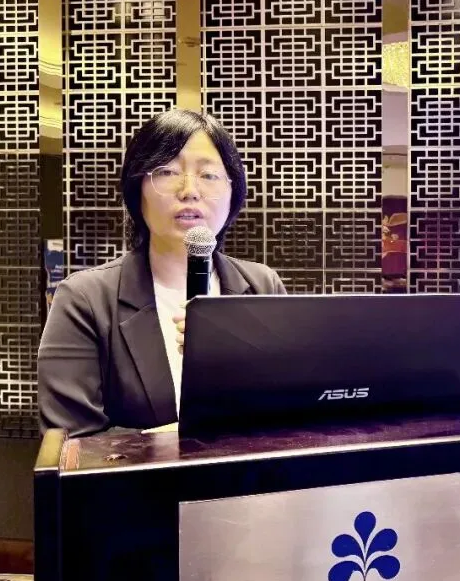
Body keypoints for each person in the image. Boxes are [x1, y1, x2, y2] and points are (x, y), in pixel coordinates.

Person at [37, 109, 286, 437]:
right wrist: (187, 439)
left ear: (233, 192)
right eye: (167, 171)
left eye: (209, 175)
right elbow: (70, 442)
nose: (189, 190)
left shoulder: (262, 285)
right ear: (136, 189)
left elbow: (293, 419)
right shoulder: (85, 299)